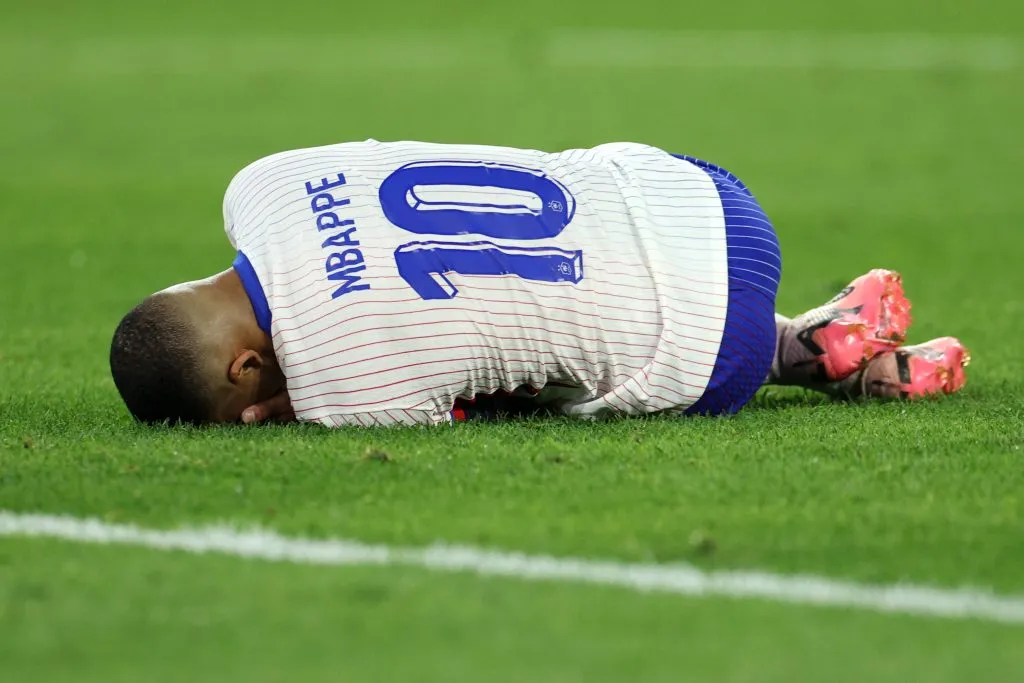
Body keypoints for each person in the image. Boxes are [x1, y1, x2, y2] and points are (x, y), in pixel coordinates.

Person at [108, 140, 969, 427]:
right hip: (705, 195)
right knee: (565, 263)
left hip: (710, 354)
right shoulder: (258, 184)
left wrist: (310, 401)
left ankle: (784, 351)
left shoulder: (336, 382)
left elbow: (448, 403)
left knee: (518, 382)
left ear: (243, 373)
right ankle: (811, 342)